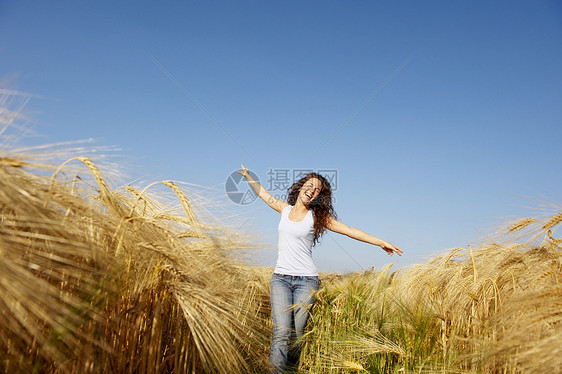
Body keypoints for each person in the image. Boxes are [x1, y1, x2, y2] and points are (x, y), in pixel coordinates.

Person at [237, 164, 402, 373]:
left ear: (318, 197)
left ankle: (289, 370)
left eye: (317, 190)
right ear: (300, 187)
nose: (312, 191)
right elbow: (263, 194)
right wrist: (248, 176)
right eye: (310, 186)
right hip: (280, 279)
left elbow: (350, 231)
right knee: (281, 333)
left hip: (306, 281)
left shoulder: (317, 217)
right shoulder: (283, 209)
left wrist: (380, 242)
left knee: (297, 336)